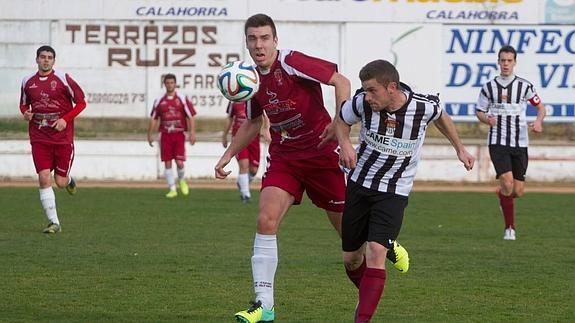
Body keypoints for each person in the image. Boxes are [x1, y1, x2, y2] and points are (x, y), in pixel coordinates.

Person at [214, 13, 353, 323]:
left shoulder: (292, 62)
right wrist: (227, 155)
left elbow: (340, 82)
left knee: (351, 239)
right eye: (252, 39)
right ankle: (264, 306)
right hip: (285, 159)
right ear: (247, 43)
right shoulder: (249, 80)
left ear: (275, 40)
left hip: (322, 157)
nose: (259, 44)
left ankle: (382, 240)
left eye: (264, 38)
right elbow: (252, 122)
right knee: (266, 219)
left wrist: (340, 128)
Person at [336, 59, 475, 322]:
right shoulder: (361, 103)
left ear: (392, 87)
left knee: (375, 252)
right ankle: (368, 293)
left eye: (372, 90)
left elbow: (441, 116)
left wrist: (460, 148)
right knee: (351, 260)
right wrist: (345, 144)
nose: (367, 96)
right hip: (359, 184)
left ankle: (362, 317)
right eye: (364, 90)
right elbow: (342, 120)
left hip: (394, 191)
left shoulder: (422, 106)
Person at [475, 45, 546, 241]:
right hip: (497, 142)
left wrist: (539, 121)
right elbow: (479, 111)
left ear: (514, 62)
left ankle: (502, 195)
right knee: (507, 182)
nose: (506, 64)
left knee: (518, 191)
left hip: (520, 142)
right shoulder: (489, 87)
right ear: (498, 62)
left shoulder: (524, 86)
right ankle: (510, 229)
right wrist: (486, 119)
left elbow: (541, 107)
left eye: (509, 60)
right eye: (503, 60)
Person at [19, 45, 87, 234]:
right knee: (43, 177)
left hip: (62, 139)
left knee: (60, 182)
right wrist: (26, 113)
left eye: (49, 57)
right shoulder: (27, 81)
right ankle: (54, 222)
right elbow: (23, 104)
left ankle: (69, 180)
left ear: (54, 61)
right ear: (37, 60)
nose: (46, 60)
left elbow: (81, 102)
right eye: (43, 57)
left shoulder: (63, 79)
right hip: (39, 137)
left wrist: (65, 119)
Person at [147, 74, 197, 198]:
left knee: (179, 162)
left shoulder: (182, 98)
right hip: (165, 134)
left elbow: (191, 116)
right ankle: (172, 189)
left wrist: (192, 133)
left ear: (175, 84)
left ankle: (181, 179)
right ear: (164, 84)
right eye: (167, 83)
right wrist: (150, 134)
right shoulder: (159, 101)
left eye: (171, 83)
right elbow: (154, 118)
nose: (169, 85)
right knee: (167, 162)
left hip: (179, 133)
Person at [221, 101, 271, 203]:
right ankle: (246, 195)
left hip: (254, 138)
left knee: (254, 170)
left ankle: (242, 183)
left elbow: (265, 116)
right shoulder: (234, 100)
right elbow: (229, 118)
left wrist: (266, 129)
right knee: (244, 165)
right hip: (238, 138)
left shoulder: (256, 98)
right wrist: (224, 135)